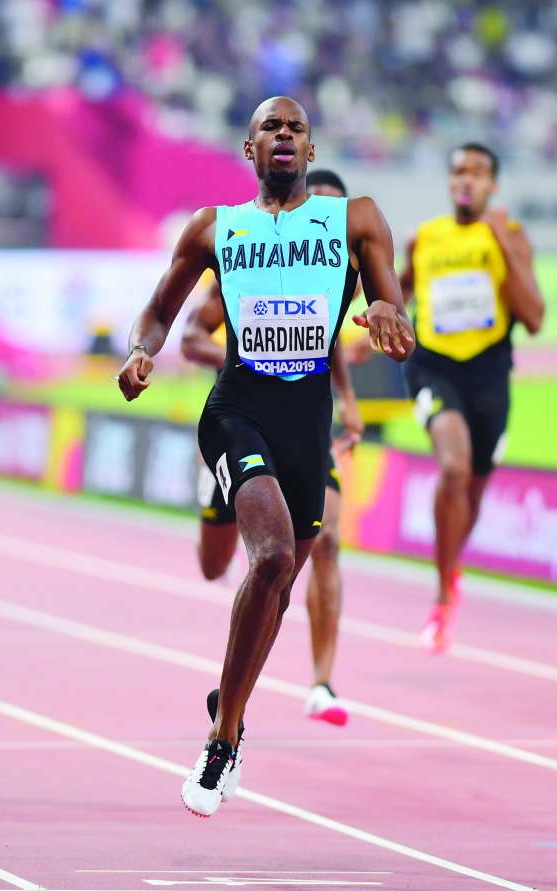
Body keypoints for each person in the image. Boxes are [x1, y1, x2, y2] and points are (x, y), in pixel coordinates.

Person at [116, 97, 413, 818]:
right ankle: (223, 740)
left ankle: (230, 702)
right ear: (249, 150)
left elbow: (393, 311)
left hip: (306, 425)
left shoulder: (355, 220)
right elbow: (159, 311)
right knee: (273, 555)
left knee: (276, 590)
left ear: (310, 149)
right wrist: (141, 350)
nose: (284, 134)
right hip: (237, 411)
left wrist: (387, 313)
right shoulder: (214, 228)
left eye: (296, 127)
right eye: (269, 128)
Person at [180, 169, 365, 730]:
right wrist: (244, 358)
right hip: (244, 419)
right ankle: (224, 492)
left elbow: (329, 344)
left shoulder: (341, 263)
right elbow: (190, 335)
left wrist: (348, 402)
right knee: (214, 565)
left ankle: (320, 683)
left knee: (317, 544)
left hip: (307, 427)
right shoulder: (247, 256)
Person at [398, 142, 544, 655]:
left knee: (475, 487)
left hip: (489, 373)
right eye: (459, 171)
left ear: (493, 185)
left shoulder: (511, 235)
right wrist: (379, 317)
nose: (467, 180)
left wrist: (501, 241)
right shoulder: (424, 238)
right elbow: (399, 291)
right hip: (434, 367)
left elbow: (534, 318)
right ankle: (442, 595)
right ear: (449, 180)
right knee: (454, 468)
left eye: (478, 173)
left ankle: (451, 569)